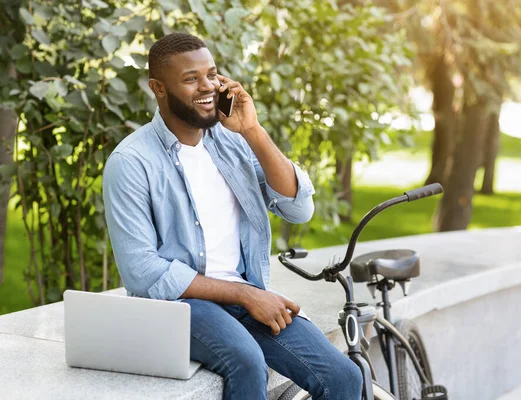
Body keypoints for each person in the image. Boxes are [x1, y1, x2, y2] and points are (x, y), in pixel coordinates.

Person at [102, 32, 362, 400]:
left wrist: (252, 131)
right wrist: (246, 295)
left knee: (344, 378)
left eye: (212, 74)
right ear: (158, 88)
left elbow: (298, 207)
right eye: (191, 78)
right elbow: (142, 272)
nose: (207, 86)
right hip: (181, 306)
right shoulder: (131, 162)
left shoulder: (232, 142)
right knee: (246, 362)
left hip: (245, 297)